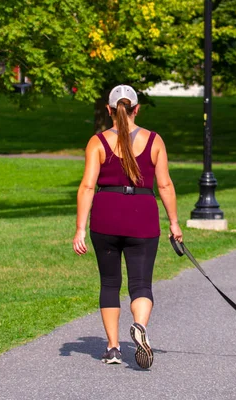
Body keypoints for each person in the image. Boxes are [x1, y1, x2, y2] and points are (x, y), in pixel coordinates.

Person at [73, 84, 183, 369]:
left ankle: (112, 348)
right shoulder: (154, 140)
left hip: (106, 216)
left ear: (109, 110)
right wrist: (174, 223)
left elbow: (87, 186)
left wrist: (80, 229)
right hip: (143, 217)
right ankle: (139, 326)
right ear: (137, 108)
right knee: (141, 284)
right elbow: (165, 184)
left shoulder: (97, 142)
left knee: (110, 283)